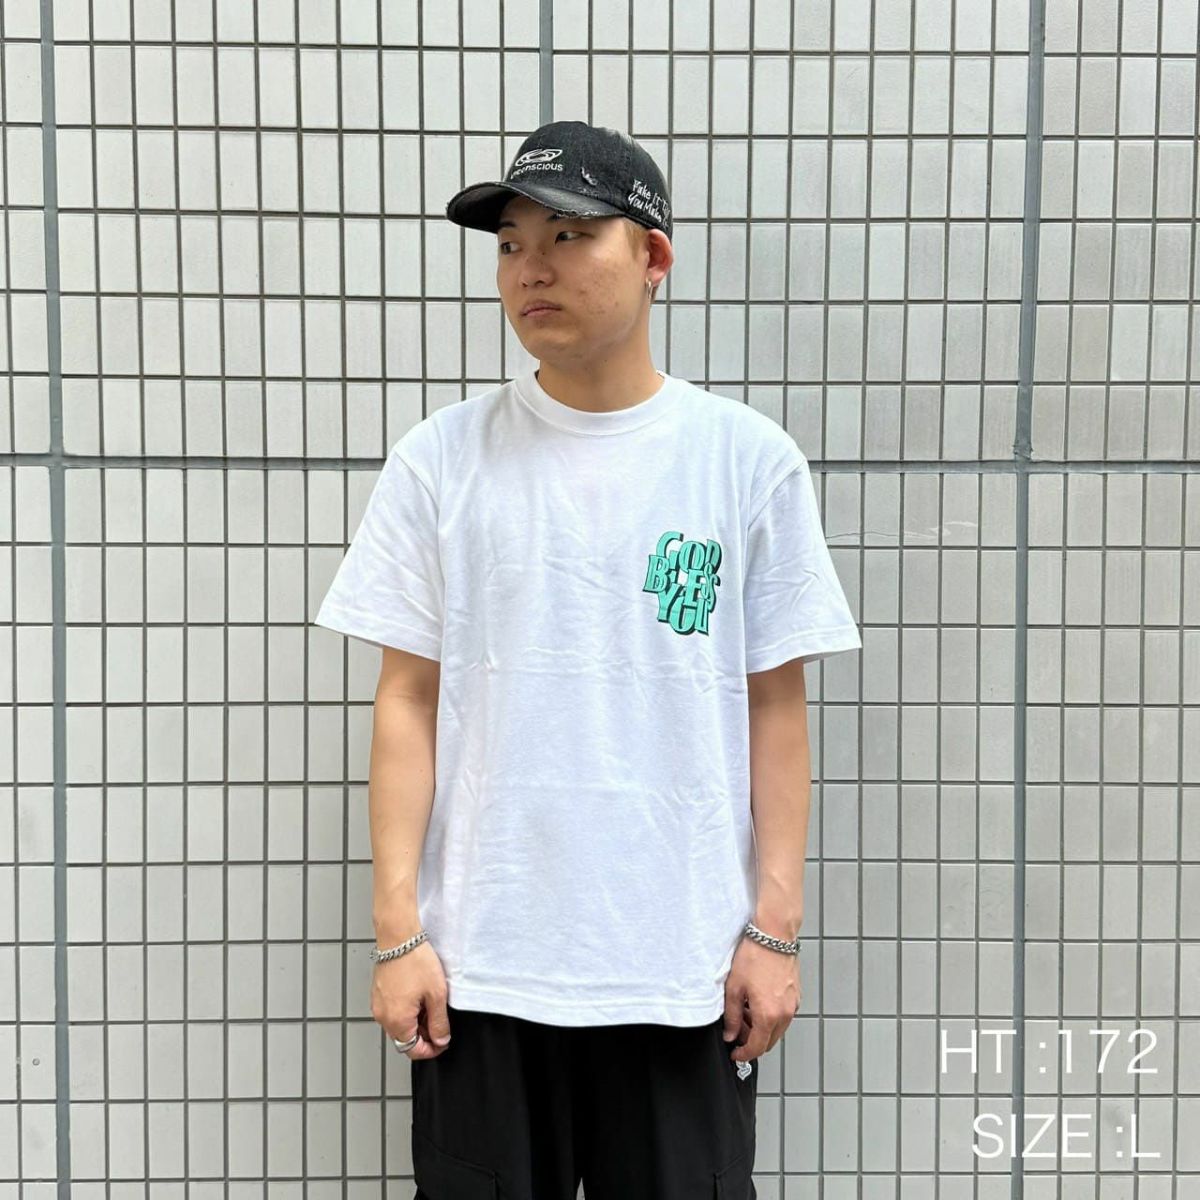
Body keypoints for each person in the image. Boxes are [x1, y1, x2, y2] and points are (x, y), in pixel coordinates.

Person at [313, 120, 862, 1199]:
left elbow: (775, 709)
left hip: (681, 973)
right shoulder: (440, 462)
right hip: (484, 974)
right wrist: (396, 934)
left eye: (568, 236)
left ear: (654, 257)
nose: (532, 268)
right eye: (511, 244)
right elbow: (407, 702)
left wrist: (774, 930)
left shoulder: (743, 462)